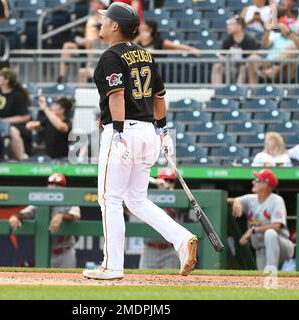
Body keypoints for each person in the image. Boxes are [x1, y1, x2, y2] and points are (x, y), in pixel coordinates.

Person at [82, 2, 198, 280]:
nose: (101, 23)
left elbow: (118, 96)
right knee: (136, 200)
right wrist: (164, 130)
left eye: (105, 19)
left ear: (115, 26)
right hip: (149, 132)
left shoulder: (111, 55)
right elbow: (159, 96)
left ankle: (112, 266)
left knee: (109, 199)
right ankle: (182, 239)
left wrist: (119, 133)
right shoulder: (144, 54)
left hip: (124, 131)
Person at [8, 173, 81, 268]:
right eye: (51, 184)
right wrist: (15, 216)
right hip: (46, 253)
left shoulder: (70, 202)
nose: (54, 187)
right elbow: (24, 213)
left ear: (64, 189)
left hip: (65, 252)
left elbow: (75, 215)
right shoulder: (40, 202)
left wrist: (61, 216)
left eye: (58, 185)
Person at [228, 169, 294, 271]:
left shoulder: (276, 200)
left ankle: (271, 272)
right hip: (261, 249)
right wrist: (236, 200)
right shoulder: (251, 199)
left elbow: (277, 226)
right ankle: (270, 276)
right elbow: (228, 200)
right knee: (263, 281)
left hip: (281, 245)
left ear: (265, 184)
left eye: (257, 180)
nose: (253, 182)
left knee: (270, 233)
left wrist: (252, 230)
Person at [138, 169, 186, 269]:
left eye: (170, 181)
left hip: (169, 251)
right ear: (158, 182)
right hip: (149, 249)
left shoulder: (178, 197)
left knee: (171, 283)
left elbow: (184, 209)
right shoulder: (147, 197)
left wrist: (168, 190)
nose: (167, 183)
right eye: (165, 180)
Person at [58, 0, 109, 83]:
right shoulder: (89, 18)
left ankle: (90, 66)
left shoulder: (106, 19)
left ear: (101, 4)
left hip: (98, 49)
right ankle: (62, 78)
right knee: (67, 46)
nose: (91, 4)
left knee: (89, 43)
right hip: (86, 47)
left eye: (94, 2)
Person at [0, 68, 31, 160]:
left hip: (18, 125)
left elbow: (25, 117)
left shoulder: (17, 95)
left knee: (11, 130)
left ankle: (21, 156)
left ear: (6, 80)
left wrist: (5, 121)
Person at [211, 16, 260, 84]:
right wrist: (224, 60)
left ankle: (239, 90)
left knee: (243, 68)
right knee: (217, 66)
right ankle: (218, 90)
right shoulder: (227, 40)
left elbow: (252, 57)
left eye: (231, 25)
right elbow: (222, 56)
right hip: (231, 65)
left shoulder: (250, 40)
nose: (228, 27)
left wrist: (244, 64)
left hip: (245, 66)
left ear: (239, 26)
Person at [134, 20, 201, 57]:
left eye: (143, 25)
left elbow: (177, 46)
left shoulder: (158, 41)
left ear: (150, 29)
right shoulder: (135, 39)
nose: (140, 27)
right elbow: (127, 49)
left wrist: (192, 49)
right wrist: (138, 38)